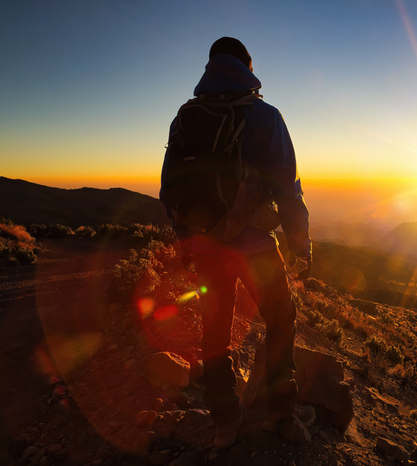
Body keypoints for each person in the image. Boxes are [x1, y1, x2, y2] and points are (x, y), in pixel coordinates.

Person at [159, 37, 313, 448]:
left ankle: (224, 423)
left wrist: (187, 241)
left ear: (210, 66)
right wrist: (301, 245)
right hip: (257, 249)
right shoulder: (265, 116)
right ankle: (279, 415)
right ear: (247, 66)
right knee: (280, 320)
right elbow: (287, 189)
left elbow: (168, 188)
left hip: (208, 249)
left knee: (215, 331)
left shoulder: (185, 117)